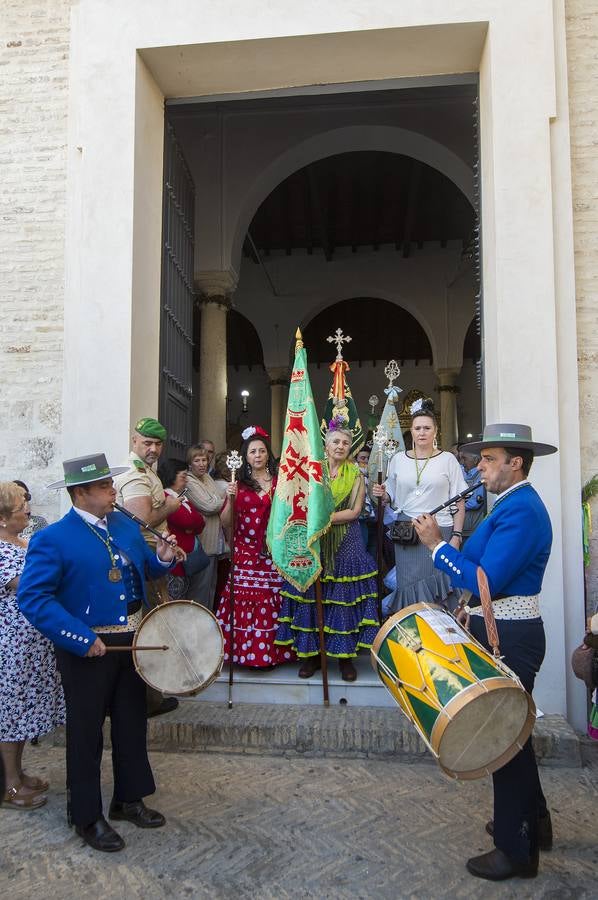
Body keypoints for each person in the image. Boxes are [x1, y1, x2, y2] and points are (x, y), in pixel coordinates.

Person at [413, 423, 557, 881]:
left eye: (489, 459)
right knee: (515, 732)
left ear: (516, 463)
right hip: (507, 631)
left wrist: (437, 546)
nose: (480, 467)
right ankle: (533, 821)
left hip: (512, 635)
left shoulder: (521, 511)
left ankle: (516, 851)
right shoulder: (513, 505)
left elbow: (485, 580)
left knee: (503, 738)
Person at [17, 453, 180, 852]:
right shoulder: (52, 538)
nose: (113, 492)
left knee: (131, 722)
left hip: (132, 643)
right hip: (87, 650)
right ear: (82, 492)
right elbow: (33, 598)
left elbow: (144, 572)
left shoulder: (124, 523)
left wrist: (162, 557)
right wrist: (78, 637)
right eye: (106, 486)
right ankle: (86, 816)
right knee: (86, 733)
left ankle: (128, 799)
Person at [275, 417, 379, 682]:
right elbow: (301, 502)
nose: (340, 446)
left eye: (345, 442)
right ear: (326, 444)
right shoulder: (312, 471)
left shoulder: (356, 474)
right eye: (336, 441)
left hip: (347, 540)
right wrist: (316, 522)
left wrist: (324, 519)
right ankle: (311, 657)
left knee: (343, 598)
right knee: (313, 596)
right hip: (314, 541)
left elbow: (355, 511)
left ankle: (345, 659)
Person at [1, 482, 64, 810]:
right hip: (12, 646)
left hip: (33, 643)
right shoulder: (0, 550)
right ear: (2, 517)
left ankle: (19, 773)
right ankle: (10, 786)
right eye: (21, 504)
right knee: (10, 714)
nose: (28, 506)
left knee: (23, 712)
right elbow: (24, 583)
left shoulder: (24, 543)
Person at [373, 398, 466, 615]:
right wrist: (383, 494)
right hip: (406, 533)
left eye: (427, 428)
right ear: (411, 431)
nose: (422, 432)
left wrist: (457, 536)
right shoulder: (397, 459)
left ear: (435, 431)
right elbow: (391, 497)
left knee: (439, 587)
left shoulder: (448, 460)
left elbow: (459, 501)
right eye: (417, 428)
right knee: (408, 588)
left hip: (438, 529)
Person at [113, 417, 181, 716]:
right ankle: (148, 701)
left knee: (153, 627)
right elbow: (141, 520)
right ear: (134, 441)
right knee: (151, 630)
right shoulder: (134, 473)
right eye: (147, 443)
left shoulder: (145, 471)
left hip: (154, 557)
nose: (153, 449)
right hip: (145, 563)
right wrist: (171, 505)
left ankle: (148, 697)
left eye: (157, 444)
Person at [215, 426, 293, 668]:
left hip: (274, 550)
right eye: (252, 452)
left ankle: (274, 655)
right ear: (245, 457)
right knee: (244, 601)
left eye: (261, 451)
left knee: (273, 600)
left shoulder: (281, 483)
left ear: (268, 454)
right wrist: (230, 498)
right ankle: (242, 654)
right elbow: (226, 522)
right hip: (246, 550)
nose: (257, 455)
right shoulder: (237, 485)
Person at [185, 444, 226, 609]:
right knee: (199, 593)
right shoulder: (189, 480)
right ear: (190, 464)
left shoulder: (207, 478)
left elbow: (216, 502)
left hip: (214, 544)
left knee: (211, 589)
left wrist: (219, 502)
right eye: (197, 460)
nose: (202, 464)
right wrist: (229, 499)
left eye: (204, 460)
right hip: (202, 545)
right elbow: (209, 506)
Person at [158, 459, 206, 600]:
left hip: (188, 560)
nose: (186, 481)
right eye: (183, 477)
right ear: (172, 476)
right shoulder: (167, 497)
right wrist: (194, 522)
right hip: (176, 563)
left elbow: (200, 523)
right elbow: (188, 521)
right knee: (175, 601)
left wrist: (195, 523)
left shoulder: (182, 498)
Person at [459, 448, 486, 542]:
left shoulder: (481, 476)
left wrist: (456, 505)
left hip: (473, 529)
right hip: (465, 528)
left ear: (475, 460)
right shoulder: (465, 474)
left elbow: (475, 502)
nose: (462, 462)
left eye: (464, 458)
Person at [356, 446, 377, 557]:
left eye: (369, 458)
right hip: (361, 518)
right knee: (363, 547)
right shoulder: (354, 474)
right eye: (363, 458)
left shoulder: (376, 475)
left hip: (375, 517)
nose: (366, 461)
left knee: (373, 547)